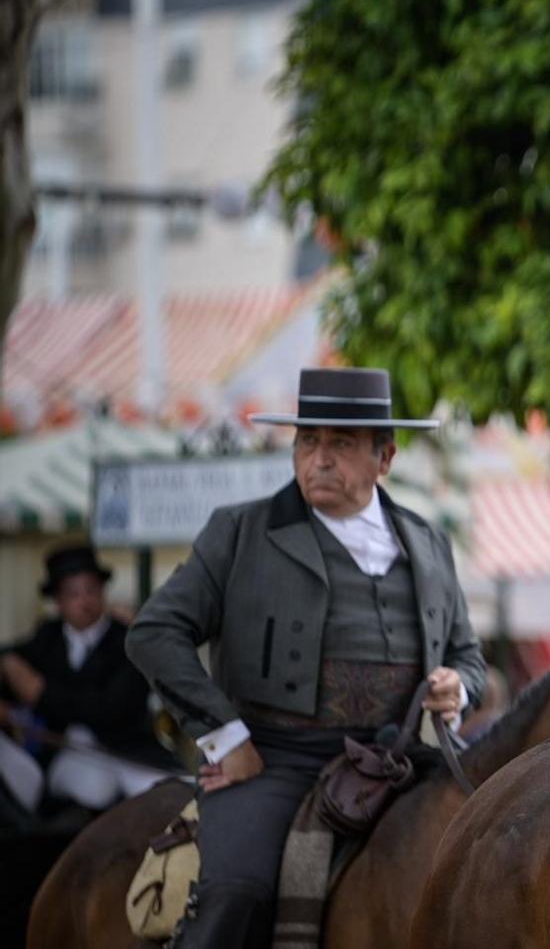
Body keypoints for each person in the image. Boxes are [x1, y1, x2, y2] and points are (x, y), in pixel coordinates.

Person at [126, 367, 486, 949]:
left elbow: (468, 654)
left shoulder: (428, 539)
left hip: (405, 758)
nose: (318, 459)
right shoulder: (239, 531)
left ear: (385, 457)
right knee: (234, 893)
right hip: (274, 758)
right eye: (307, 442)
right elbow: (154, 632)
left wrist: (459, 687)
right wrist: (226, 739)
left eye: (340, 444)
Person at [0, 544, 174, 815]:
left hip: (130, 751)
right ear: (58, 600)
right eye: (73, 593)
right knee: (88, 788)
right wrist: (9, 667)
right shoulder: (47, 639)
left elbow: (111, 707)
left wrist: (40, 694)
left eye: (90, 591)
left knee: (165, 794)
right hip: (70, 753)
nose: (84, 601)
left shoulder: (125, 639)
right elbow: (13, 656)